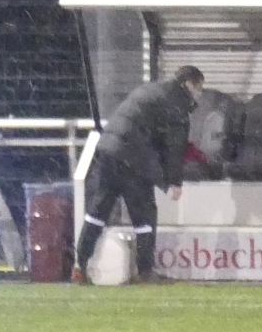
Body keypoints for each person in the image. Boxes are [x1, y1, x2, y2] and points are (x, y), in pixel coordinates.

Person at [75, 65, 203, 284]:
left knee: (98, 211)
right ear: (187, 84)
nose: (198, 93)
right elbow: (174, 148)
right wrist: (174, 182)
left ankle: (80, 266)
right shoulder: (177, 105)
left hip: (108, 151)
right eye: (198, 87)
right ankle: (145, 271)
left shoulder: (151, 90)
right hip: (134, 157)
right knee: (144, 216)